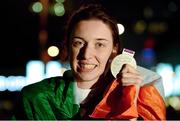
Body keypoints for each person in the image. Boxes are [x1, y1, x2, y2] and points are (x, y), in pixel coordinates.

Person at [12, 2, 166, 120]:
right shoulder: (36, 98)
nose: (86, 54)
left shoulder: (142, 93)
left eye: (99, 44)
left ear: (114, 48)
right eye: (79, 43)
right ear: (67, 46)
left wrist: (131, 98)